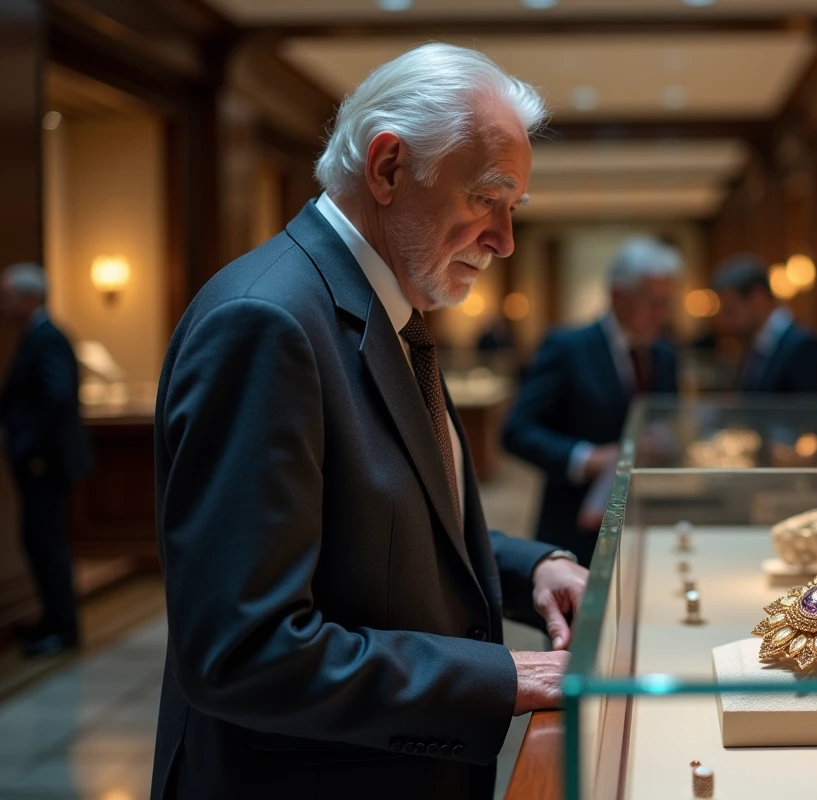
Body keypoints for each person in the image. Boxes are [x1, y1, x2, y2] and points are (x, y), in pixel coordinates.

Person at [150, 44, 587, 800]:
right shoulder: (266, 323)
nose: (504, 240)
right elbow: (243, 650)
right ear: (388, 168)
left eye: (512, 209)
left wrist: (532, 568)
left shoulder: (389, 307)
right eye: (486, 198)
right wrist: (505, 676)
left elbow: (389, 526)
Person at [503, 237, 682, 566]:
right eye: (653, 302)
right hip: (577, 523)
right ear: (618, 296)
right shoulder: (568, 348)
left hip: (646, 519)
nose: (662, 315)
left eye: (666, 303)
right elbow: (516, 431)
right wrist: (587, 459)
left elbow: (665, 418)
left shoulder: (665, 354)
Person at [0, 263, 91, 658]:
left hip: (47, 464)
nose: (2, 305)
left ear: (28, 297)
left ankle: (62, 628)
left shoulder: (47, 337)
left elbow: (57, 399)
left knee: (47, 544)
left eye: (6, 296)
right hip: (43, 461)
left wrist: (33, 451)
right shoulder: (36, 335)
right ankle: (52, 621)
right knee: (38, 541)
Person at [711, 254, 817, 393]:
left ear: (758, 299)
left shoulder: (804, 348)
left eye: (731, 311)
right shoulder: (756, 345)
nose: (725, 324)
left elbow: (812, 405)